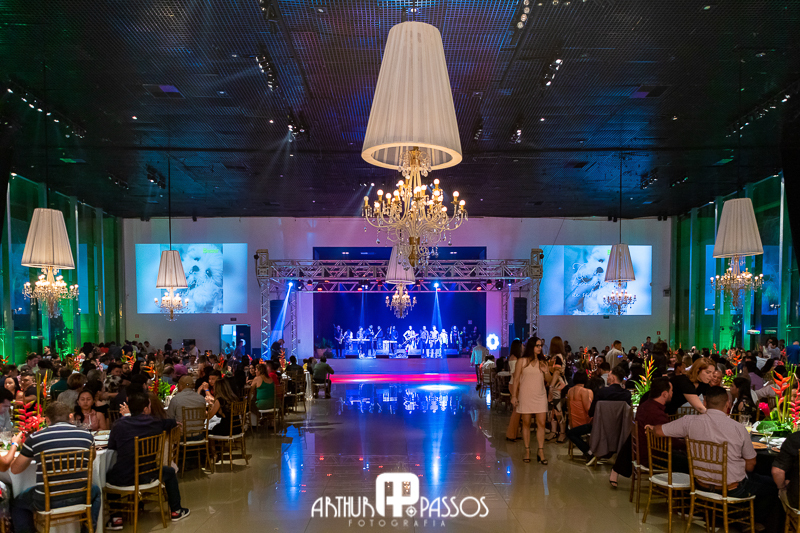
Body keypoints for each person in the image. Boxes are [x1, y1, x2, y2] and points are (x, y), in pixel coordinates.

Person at [650, 386, 779, 533]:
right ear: (728, 404)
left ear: (705, 402)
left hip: (701, 484)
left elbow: (658, 431)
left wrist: (651, 428)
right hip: (732, 489)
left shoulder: (688, 421)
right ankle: (751, 522)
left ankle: (736, 519)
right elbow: (751, 464)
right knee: (773, 487)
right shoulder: (738, 428)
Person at [4, 401, 101, 533]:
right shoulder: (87, 436)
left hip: (46, 500)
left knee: (17, 504)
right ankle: (88, 530)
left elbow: (15, 470)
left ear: (47, 420)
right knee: (96, 491)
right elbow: (91, 457)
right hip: (81, 495)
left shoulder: (35, 438)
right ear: (70, 417)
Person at [106, 391, 189, 527]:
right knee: (169, 472)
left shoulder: (118, 424)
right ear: (145, 409)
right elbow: (168, 422)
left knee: (108, 475)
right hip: (148, 475)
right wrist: (175, 422)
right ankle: (176, 510)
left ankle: (116, 518)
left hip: (123, 477)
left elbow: (111, 447)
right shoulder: (155, 423)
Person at [608, 377, 673, 487]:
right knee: (684, 460)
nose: (673, 393)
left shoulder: (647, 404)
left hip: (643, 450)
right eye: (672, 391)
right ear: (665, 393)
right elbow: (668, 440)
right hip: (651, 455)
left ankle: (616, 470)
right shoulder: (654, 412)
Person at [510, 336, 552, 465]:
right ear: (531, 346)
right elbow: (516, 379)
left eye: (540, 346)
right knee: (526, 423)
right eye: (537, 346)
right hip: (525, 395)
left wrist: (546, 372)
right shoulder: (522, 361)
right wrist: (514, 396)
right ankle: (527, 450)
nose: (539, 348)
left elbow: (549, 381)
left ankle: (541, 451)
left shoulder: (543, 362)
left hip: (540, 395)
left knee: (541, 423)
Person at [565, 371, 593, 457]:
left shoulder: (570, 391)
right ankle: (589, 451)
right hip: (584, 423)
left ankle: (588, 451)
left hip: (573, 423)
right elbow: (588, 409)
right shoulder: (585, 391)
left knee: (570, 433)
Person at [505, 339, 524, 441]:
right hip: (514, 385)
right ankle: (511, 434)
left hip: (513, 384)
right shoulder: (514, 359)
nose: (523, 347)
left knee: (517, 410)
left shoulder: (514, 358)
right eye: (521, 346)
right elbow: (514, 373)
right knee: (516, 410)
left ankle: (515, 433)